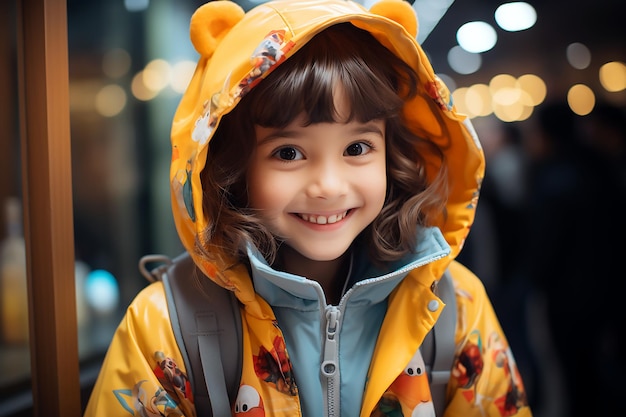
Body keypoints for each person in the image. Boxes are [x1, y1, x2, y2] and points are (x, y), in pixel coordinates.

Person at [84, 1, 532, 416]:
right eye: (288, 153)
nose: (329, 187)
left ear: (392, 155)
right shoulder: (167, 324)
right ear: (232, 166)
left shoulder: (453, 304)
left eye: (357, 147)